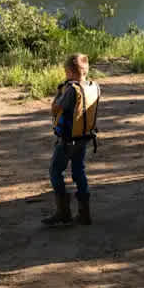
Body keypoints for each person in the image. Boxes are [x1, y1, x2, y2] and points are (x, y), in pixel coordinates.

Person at [43, 53, 99, 227]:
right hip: (84, 139)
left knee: (55, 171)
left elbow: (55, 109)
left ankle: (63, 211)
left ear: (69, 71)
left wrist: (59, 92)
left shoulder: (71, 90)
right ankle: (84, 213)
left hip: (67, 141)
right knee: (78, 172)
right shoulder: (93, 86)